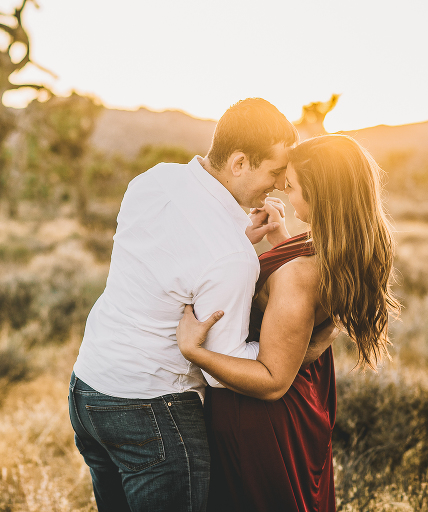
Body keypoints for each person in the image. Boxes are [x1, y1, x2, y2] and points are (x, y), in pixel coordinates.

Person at [67, 98, 338, 512]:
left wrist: (237, 245)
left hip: (88, 390)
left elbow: (169, 257)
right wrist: (306, 344)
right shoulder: (229, 258)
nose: (281, 184)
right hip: (153, 408)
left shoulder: (153, 180)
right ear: (240, 162)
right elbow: (227, 370)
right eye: (274, 171)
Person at [177, 134, 401, 512]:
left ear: (322, 195)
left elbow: (272, 380)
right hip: (308, 395)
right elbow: (312, 302)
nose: (282, 189)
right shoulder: (341, 243)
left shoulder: (301, 274)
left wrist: (193, 351)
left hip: (262, 416)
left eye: (292, 185)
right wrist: (282, 242)